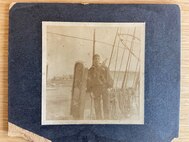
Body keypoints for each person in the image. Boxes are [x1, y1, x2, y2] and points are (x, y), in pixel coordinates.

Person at [87, 54, 113, 120]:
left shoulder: (105, 68)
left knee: (106, 105)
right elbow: (89, 81)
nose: (97, 60)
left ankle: (107, 120)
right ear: (93, 60)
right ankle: (99, 120)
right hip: (95, 89)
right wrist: (90, 91)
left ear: (100, 60)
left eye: (98, 58)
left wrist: (110, 87)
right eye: (95, 59)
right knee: (97, 107)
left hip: (104, 88)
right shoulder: (91, 70)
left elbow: (109, 77)